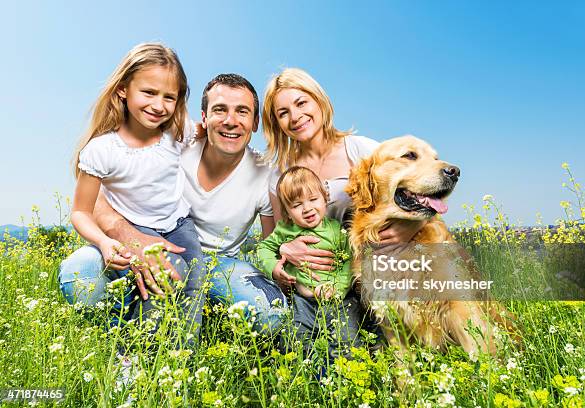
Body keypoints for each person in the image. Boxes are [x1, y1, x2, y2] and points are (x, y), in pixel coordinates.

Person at [59, 73, 287, 334]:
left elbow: (272, 243)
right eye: (219, 110)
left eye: (242, 112)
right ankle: (125, 336)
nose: (230, 121)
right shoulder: (175, 143)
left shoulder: (266, 174)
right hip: (140, 241)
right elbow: (99, 195)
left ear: (255, 122)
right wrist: (133, 240)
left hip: (217, 264)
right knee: (80, 275)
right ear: (204, 118)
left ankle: (195, 321)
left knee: (271, 311)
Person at [68, 42, 206, 340]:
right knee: (159, 279)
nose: (159, 106)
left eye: (169, 97)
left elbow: (203, 129)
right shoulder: (102, 150)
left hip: (180, 226)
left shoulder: (176, 132)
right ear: (122, 89)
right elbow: (80, 212)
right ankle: (136, 354)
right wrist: (105, 242)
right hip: (137, 226)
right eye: (149, 93)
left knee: (195, 282)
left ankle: (185, 355)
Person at [261, 67, 425, 291]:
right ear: (276, 123)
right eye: (283, 113)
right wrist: (284, 250)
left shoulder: (363, 151)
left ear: (319, 101)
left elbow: (422, 191)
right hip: (316, 285)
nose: (295, 116)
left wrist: (410, 226)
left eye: (301, 103)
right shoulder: (280, 174)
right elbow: (276, 239)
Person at [257, 167, 361, 360]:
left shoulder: (337, 231)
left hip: (337, 300)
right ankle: (307, 376)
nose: (307, 209)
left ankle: (343, 377)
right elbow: (263, 248)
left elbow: (347, 262)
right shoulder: (285, 231)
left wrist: (336, 289)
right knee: (294, 339)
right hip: (301, 299)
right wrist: (274, 268)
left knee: (346, 339)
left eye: (313, 200)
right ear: (287, 212)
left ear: (325, 198)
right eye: (296, 205)